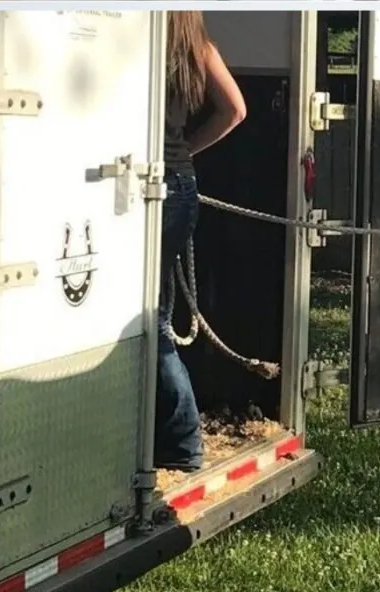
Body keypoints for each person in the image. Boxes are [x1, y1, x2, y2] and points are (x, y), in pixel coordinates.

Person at [155, 11, 247, 473]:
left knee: (150, 322)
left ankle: (182, 441)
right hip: (182, 184)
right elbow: (236, 110)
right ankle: (173, 439)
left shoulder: (145, 44)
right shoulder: (199, 50)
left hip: (156, 187)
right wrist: (185, 150)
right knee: (156, 316)